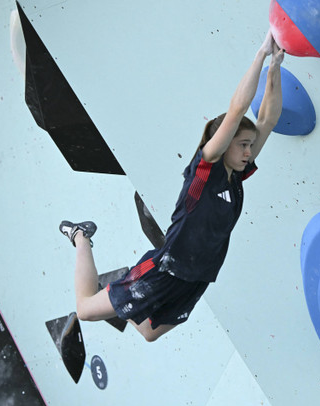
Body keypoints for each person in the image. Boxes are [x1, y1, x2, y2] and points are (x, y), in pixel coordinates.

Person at [59, 31, 284, 342]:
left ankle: (120, 289)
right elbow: (236, 111)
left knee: (149, 333)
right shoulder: (205, 171)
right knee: (85, 310)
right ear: (224, 143)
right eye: (243, 144)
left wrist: (276, 63)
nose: (249, 152)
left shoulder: (236, 178)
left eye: (251, 146)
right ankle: (80, 236)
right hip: (166, 270)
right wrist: (261, 54)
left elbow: (269, 119)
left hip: (198, 277)